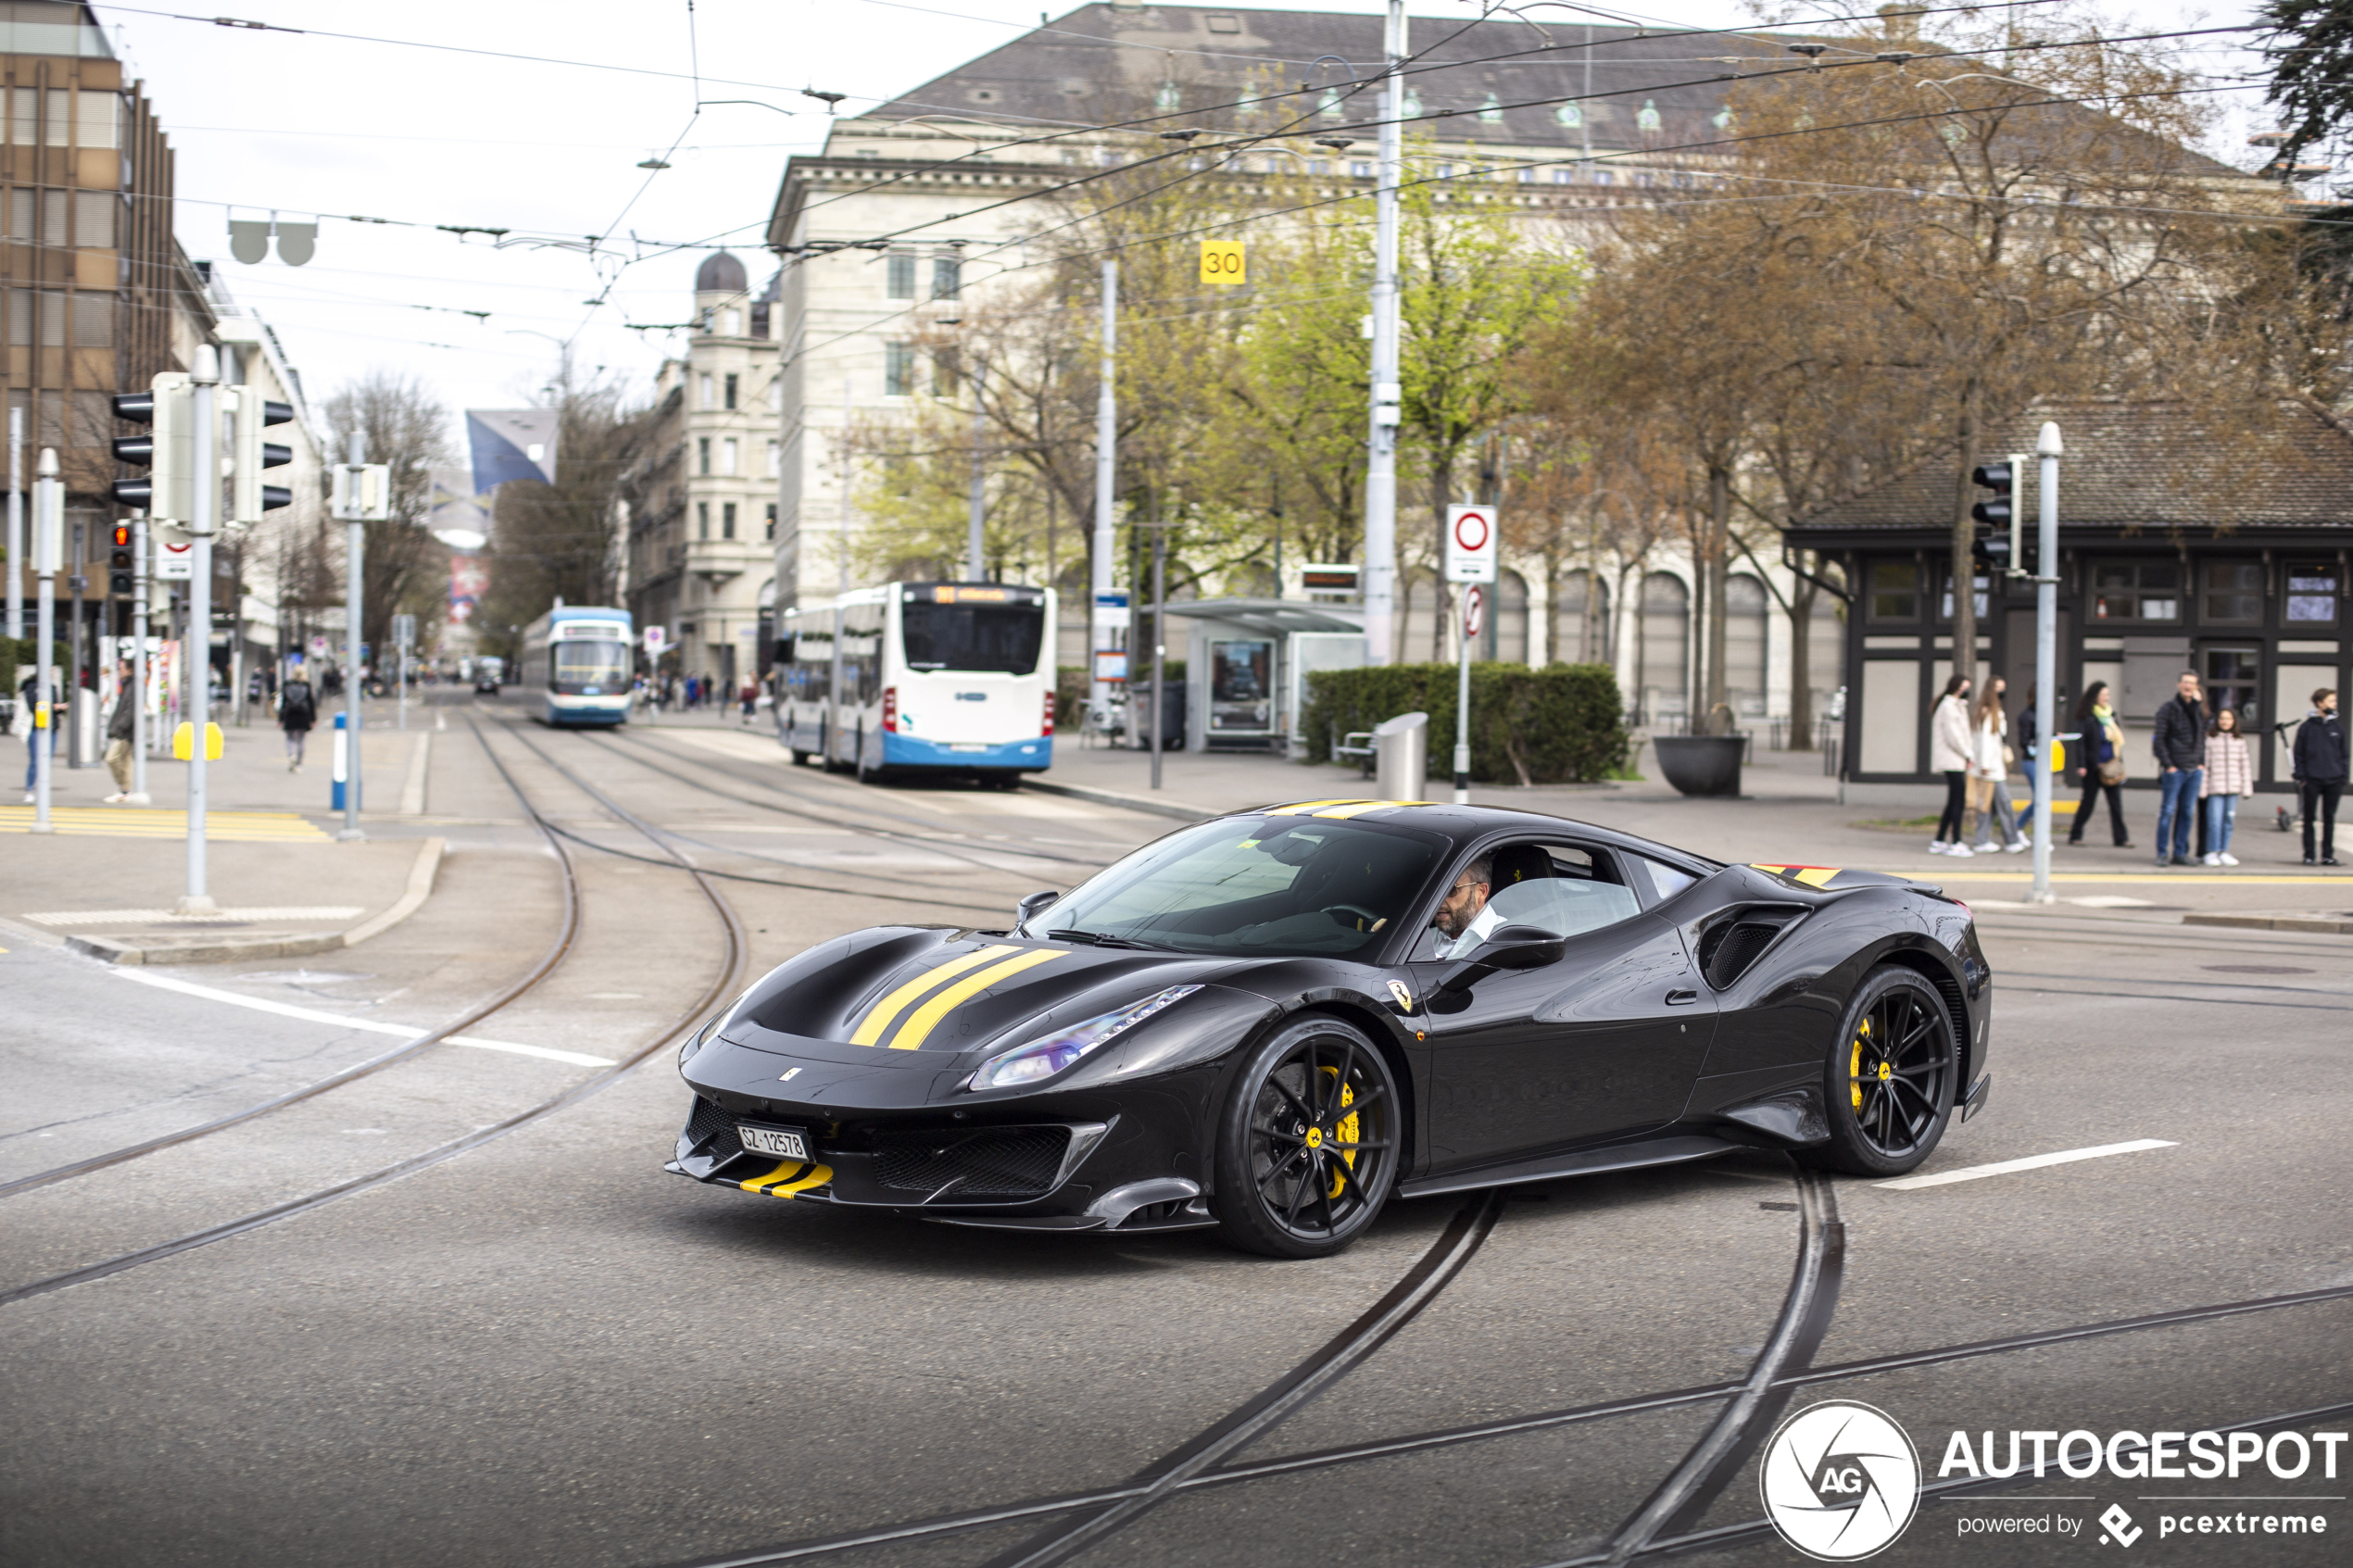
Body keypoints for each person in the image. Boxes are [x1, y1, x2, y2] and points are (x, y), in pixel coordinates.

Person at [2150, 670, 2208, 867]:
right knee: (2167, 812)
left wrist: (2201, 762)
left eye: (2192, 683)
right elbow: (2159, 739)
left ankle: (2181, 853)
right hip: (2175, 770)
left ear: (2197, 687)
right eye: (2185, 682)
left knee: (2187, 812)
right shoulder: (2168, 709)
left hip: (2194, 770)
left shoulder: (2199, 710)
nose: (2188, 686)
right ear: (2178, 684)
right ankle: (2162, 853)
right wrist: (2169, 765)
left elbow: (2202, 736)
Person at [2067, 681, 2133, 848]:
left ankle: (2121, 838)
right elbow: (2080, 743)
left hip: (2111, 767)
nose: (2106, 698)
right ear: (2094, 697)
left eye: (2107, 695)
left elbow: (2116, 742)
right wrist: (2081, 765)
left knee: (2116, 804)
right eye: (2103, 695)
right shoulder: (2087, 717)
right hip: (2093, 767)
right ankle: (2075, 834)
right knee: (2088, 802)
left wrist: (2120, 762)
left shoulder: (2111, 716)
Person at [1967, 677, 2029, 853]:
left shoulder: (1986, 712)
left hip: (1989, 767)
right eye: (1999, 688)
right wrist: (1985, 764)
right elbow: (1985, 742)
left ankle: (1981, 840)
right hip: (1991, 769)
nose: (2003, 692)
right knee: (2005, 804)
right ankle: (2012, 841)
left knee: (1989, 806)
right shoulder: (1989, 713)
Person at [2292, 687, 2347, 867]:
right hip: (2311, 780)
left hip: (2334, 780)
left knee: (2329, 818)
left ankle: (2327, 856)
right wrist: (2301, 776)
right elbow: (2298, 754)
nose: (2334, 704)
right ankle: (2309, 855)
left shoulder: (2337, 728)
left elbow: (2345, 754)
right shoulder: (2306, 728)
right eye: (2331, 701)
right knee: (2309, 818)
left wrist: (2343, 776)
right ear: (2320, 703)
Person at [2199, 707, 2253, 867]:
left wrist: (2246, 788)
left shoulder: (2239, 741)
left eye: (2228, 719)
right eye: (2222, 718)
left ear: (2234, 721)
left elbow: (2245, 766)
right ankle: (2211, 851)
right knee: (2214, 821)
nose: (2225, 722)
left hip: (2233, 788)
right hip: (2215, 788)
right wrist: (2203, 789)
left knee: (2228, 821)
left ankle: (2224, 850)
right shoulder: (2210, 739)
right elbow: (2205, 766)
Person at [1927, 673, 1974, 857]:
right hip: (1952, 759)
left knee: (1953, 800)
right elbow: (1954, 737)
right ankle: (1956, 841)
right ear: (1957, 688)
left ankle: (1939, 840)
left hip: (1955, 759)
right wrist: (1968, 754)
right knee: (1958, 801)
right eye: (1965, 687)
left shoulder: (1956, 706)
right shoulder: (1949, 707)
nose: (1967, 691)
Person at [1431, 853, 1497, 959]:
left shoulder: (1507, 940)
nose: (1438, 899)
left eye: (1451, 889)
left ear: (1481, 891)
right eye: (1435, 890)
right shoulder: (1419, 941)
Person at [101, 659, 137, 803]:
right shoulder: (129, 685)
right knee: (126, 760)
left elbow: (129, 711)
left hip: (125, 731)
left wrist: (118, 728)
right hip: (126, 729)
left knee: (112, 758)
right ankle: (125, 791)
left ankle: (124, 789)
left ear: (130, 670)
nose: (119, 671)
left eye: (121, 668)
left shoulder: (132, 686)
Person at [278, 666, 317, 772]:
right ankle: (298, 763)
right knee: (301, 740)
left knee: (290, 738)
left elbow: (283, 702)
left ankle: (291, 756)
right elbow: (311, 703)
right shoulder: (307, 685)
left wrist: (280, 719)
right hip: (303, 715)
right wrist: (313, 719)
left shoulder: (287, 684)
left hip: (290, 714)